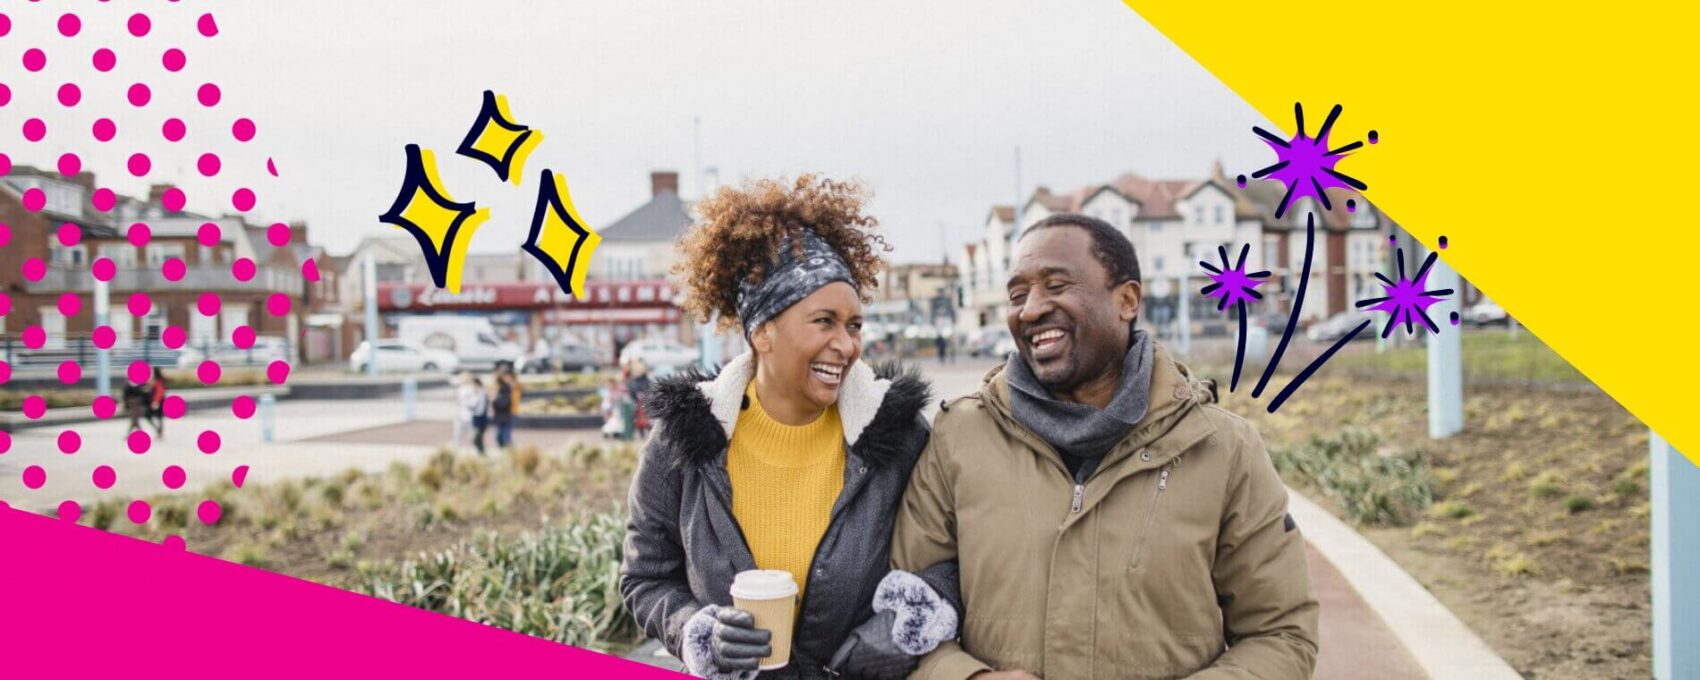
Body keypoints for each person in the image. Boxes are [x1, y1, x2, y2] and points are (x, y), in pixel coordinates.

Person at [892, 213, 1319, 679]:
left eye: (1056, 286)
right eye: (1018, 295)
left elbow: (1281, 633)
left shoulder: (1223, 448)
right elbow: (906, 604)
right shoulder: (960, 437)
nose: (1031, 309)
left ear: (1127, 300)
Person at [621, 175, 960, 680]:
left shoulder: (897, 435)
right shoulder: (684, 440)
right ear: (763, 331)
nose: (846, 345)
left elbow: (955, 555)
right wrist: (696, 630)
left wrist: (903, 624)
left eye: (854, 325)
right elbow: (645, 578)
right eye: (823, 321)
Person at [455, 372, 489, 455]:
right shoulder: (472, 391)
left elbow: (475, 405)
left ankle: (479, 453)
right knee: (464, 436)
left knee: (474, 437)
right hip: (468, 416)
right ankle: (478, 453)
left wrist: (468, 402)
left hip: (475, 417)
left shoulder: (479, 392)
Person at [489, 362, 520, 449]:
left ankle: (509, 452)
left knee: (506, 435)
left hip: (511, 412)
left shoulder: (513, 386)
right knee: (499, 436)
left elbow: (515, 396)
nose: (506, 378)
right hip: (500, 413)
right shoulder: (499, 386)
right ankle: (505, 452)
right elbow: (492, 398)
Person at [147, 367, 168, 437]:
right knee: (159, 417)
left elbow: (160, 392)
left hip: (157, 401)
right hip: (157, 401)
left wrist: (156, 401)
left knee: (151, 415)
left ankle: (159, 431)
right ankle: (159, 431)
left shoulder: (158, 381)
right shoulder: (156, 380)